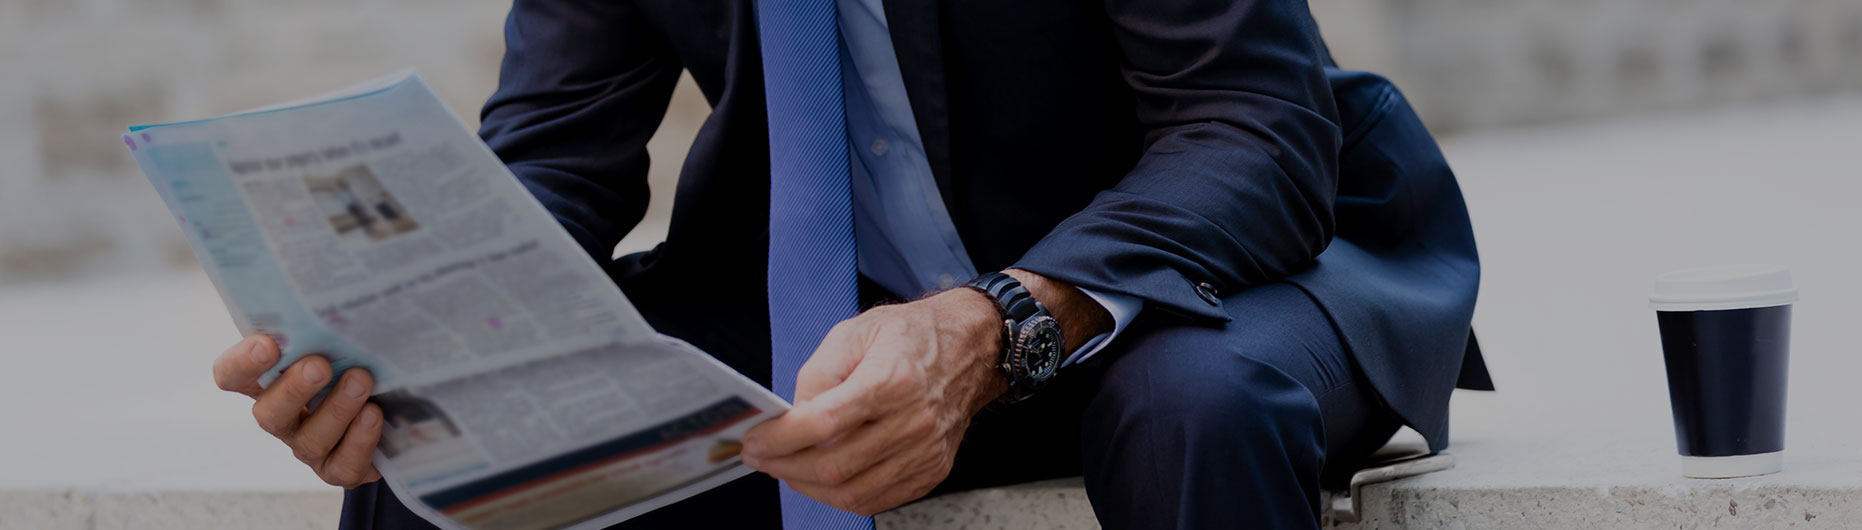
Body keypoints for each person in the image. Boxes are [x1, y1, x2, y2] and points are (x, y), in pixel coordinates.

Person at [207, 0, 1493, 527]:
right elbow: (556, 147)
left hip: (1202, 270)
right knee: (438, 452)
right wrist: (404, 339)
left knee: (1193, 410)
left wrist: (995, 322)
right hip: (855, 308)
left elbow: (1248, 129)